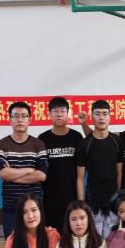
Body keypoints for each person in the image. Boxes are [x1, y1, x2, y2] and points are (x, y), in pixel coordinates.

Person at [0, 101, 48, 239]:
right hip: (11, 208)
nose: (20, 120)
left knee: (36, 247)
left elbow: (41, 175)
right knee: (12, 247)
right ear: (10, 120)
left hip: (34, 209)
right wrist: (30, 169)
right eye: (16, 116)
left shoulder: (38, 144)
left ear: (29, 120)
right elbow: (2, 173)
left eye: (24, 116)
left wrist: (12, 175)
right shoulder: (2, 144)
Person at [76, 99, 124, 238]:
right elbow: (80, 177)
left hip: (113, 202)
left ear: (110, 117)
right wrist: (80, 204)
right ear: (92, 117)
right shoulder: (85, 144)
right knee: (94, 243)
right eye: (97, 114)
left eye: (105, 113)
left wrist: (119, 198)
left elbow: (119, 172)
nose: (101, 117)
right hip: (92, 202)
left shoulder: (117, 141)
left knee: (112, 243)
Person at [39, 97, 83, 230]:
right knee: (52, 238)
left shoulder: (76, 137)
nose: (59, 114)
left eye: (62, 111)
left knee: (71, 238)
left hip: (72, 200)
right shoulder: (43, 139)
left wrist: (80, 201)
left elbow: (80, 174)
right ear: (49, 114)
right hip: (49, 201)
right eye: (55, 111)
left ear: (67, 114)